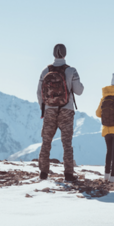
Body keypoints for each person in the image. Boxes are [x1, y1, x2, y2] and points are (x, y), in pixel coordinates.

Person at [36, 43, 84, 181]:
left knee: (46, 141)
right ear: (65, 54)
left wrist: (43, 108)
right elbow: (79, 91)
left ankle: (43, 173)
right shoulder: (71, 71)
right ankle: (68, 174)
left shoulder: (45, 71)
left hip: (50, 110)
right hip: (66, 110)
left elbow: (39, 92)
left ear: (53, 54)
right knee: (66, 143)